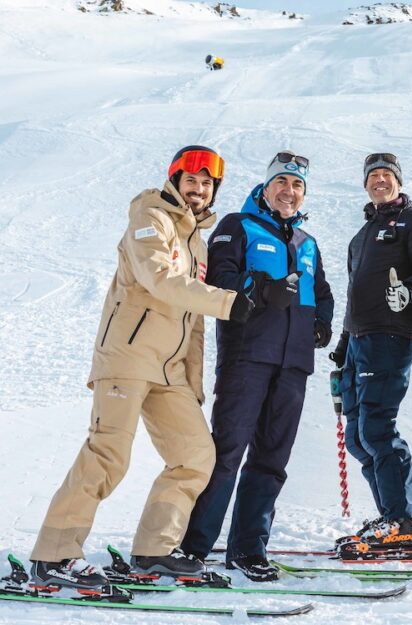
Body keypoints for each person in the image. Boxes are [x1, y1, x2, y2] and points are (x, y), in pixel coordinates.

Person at [27, 145, 255, 597]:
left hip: (169, 372)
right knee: (108, 454)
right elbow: (160, 281)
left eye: (207, 183)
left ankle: (155, 549)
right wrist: (229, 303)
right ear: (174, 180)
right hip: (128, 358)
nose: (199, 187)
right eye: (190, 178)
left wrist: (191, 381)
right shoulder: (149, 217)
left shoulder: (196, 240)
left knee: (195, 456)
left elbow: (191, 324)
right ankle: (53, 555)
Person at [180, 151, 334, 581]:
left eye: (297, 185)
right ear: (266, 188)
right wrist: (262, 290)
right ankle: (193, 548)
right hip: (248, 356)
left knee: (271, 458)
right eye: (282, 182)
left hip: (293, 364)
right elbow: (218, 280)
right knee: (226, 452)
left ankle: (248, 549)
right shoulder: (238, 226)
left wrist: (321, 324)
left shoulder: (307, 242)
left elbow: (321, 292)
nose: (289, 191)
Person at [331, 152, 412, 553]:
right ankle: (393, 516)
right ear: (365, 184)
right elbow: (352, 295)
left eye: (386, 175)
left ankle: (407, 521)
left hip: (392, 334)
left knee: (378, 428)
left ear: (398, 180)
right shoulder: (360, 237)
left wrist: (410, 289)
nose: (380, 180)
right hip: (358, 341)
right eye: (373, 176)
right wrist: (343, 346)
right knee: (359, 438)